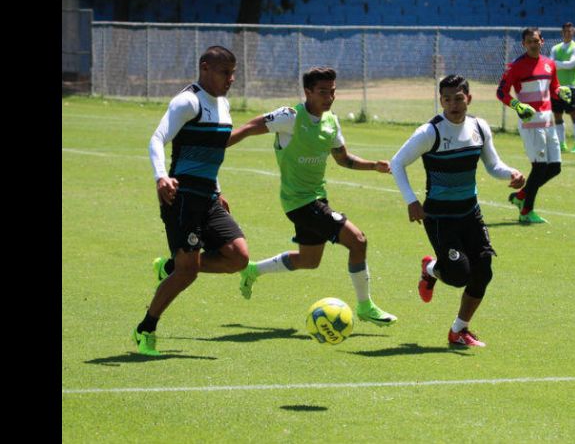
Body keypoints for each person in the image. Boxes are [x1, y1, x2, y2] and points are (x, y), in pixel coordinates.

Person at [226, 67, 397, 327]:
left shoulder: (331, 122)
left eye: (333, 92)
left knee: (309, 260)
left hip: (317, 199)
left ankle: (252, 270)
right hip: (300, 202)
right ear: (307, 92)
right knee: (358, 241)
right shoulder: (290, 117)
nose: (329, 97)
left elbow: (344, 159)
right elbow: (250, 127)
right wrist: (215, 146)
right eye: (322, 92)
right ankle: (365, 307)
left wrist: (373, 165)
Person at [134, 45, 258, 356]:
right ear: (205, 68)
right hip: (183, 196)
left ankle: (172, 266)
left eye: (233, 73)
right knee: (187, 273)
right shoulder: (187, 101)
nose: (230, 79)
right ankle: (146, 328)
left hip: (209, 196)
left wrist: (218, 188)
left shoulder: (224, 104)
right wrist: (161, 176)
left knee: (239, 257)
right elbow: (157, 138)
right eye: (224, 73)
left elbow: (211, 153)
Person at [390, 75, 526, 347]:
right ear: (441, 101)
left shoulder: (479, 127)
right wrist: (411, 200)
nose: (453, 104)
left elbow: (493, 165)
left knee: (483, 272)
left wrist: (511, 173)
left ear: (469, 98)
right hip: (439, 217)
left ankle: (459, 330)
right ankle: (430, 268)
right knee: (458, 274)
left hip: (470, 214)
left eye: (459, 98)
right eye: (447, 99)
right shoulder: (431, 132)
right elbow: (397, 162)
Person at [496, 27, 572, 224]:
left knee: (555, 168)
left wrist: (560, 91)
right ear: (523, 44)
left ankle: (521, 196)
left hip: (549, 122)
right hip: (531, 124)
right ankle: (526, 211)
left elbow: (553, 87)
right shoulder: (515, 67)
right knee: (539, 167)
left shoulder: (549, 64)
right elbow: (501, 92)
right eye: (529, 41)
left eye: (536, 40)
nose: (533, 44)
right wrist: (517, 104)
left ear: (542, 42)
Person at [549, 22, 575, 153]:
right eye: (566, 31)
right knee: (557, 116)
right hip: (557, 87)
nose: (568, 33)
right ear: (562, 33)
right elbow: (550, 64)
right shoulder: (555, 48)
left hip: (570, 87)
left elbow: (572, 64)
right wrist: (558, 64)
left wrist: (557, 63)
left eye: (570, 31)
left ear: (573, 32)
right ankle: (562, 144)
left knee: (574, 115)